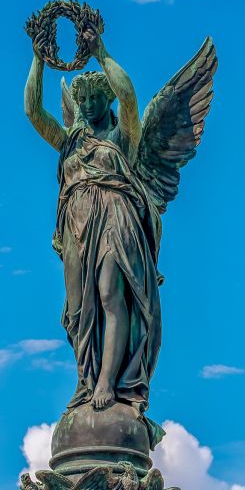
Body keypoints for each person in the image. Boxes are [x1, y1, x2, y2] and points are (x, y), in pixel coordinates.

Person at [24, 25, 162, 414]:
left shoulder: (121, 138)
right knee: (78, 312)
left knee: (108, 294)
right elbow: (33, 111)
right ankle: (87, 380)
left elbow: (131, 98)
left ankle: (107, 382)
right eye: (80, 98)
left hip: (115, 217)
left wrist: (100, 51)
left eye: (92, 97)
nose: (84, 104)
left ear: (106, 100)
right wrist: (38, 58)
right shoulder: (69, 141)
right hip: (76, 224)